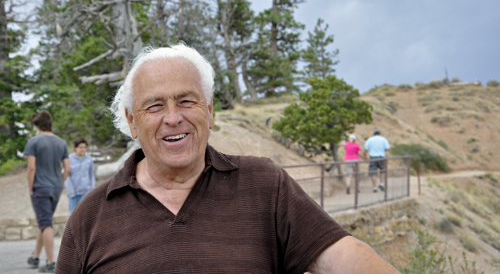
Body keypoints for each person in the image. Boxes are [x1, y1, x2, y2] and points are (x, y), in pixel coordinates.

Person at [55, 45, 399, 273]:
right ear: (132, 121)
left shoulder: (264, 185)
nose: (173, 117)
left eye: (186, 101)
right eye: (155, 105)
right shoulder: (91, 217)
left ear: (209, 111)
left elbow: (347, 259)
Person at [24, 110, 71, 273]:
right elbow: (67, 169)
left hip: (40, 187)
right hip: (56, 187)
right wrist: (59, 182)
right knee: (44, 221)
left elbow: (31, 168)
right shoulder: (61, 142)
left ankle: (51, 262)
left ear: (38, 125)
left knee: (45, 223)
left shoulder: (34, 141)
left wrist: (30, 187)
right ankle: (35, 256)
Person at [64, 137, 96, 214]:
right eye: (81, 147)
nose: (83, 149)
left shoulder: (89, 159)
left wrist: (92, 191)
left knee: (85, 214)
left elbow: (91, 175)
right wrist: (70, 191)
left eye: (85, 147)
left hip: (86, 192)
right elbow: (66, 176)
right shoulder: (68, 159)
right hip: (73, 193)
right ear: (75, 147)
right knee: (73, 215)